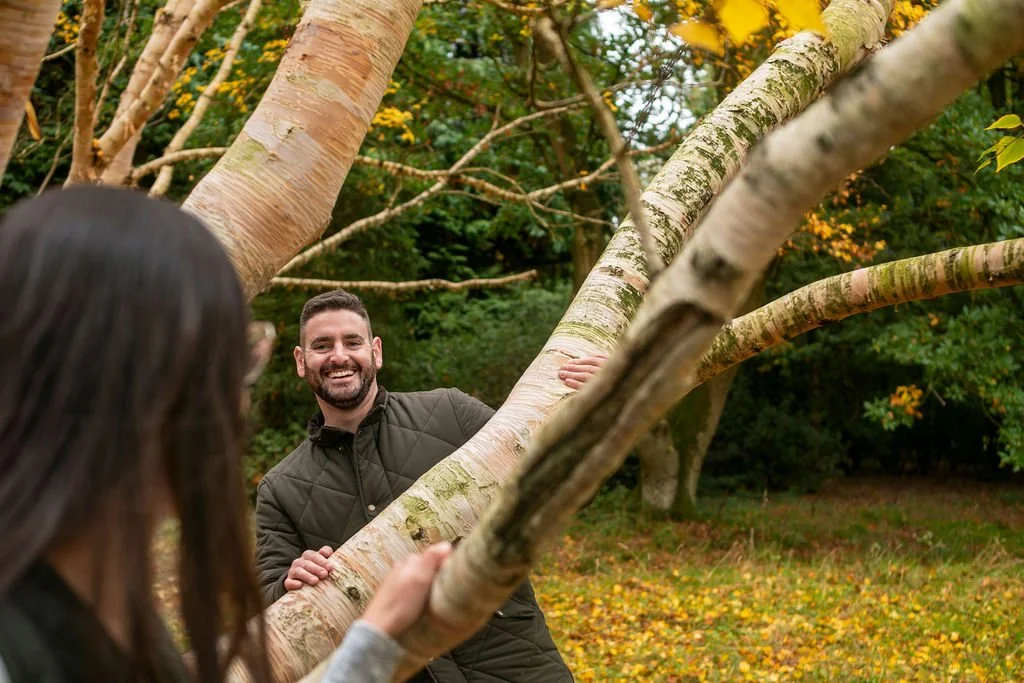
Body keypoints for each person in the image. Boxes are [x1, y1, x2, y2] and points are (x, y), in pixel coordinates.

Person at [0, 186, 454, 683]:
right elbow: (272, 584)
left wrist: (372, 640)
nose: (239, 402)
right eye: (228, 363)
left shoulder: (107, 604)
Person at [254, 289, 607, 682]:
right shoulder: (280, 488)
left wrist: (608, 403)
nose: (339, 356)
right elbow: (270, 613)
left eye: (352, 342)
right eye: (322, 345)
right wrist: (292, 582)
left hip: (517, 665)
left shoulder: (452, 415)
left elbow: (561, 484)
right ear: (301, 362)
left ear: (376, 351)